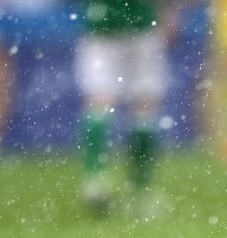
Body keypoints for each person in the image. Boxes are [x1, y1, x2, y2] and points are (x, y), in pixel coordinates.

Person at [75, 0, 179, 215]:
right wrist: (169, 13)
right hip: (139, 23)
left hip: (103, 23)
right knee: (144, 108)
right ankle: (140, 190)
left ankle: (96, 178)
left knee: (100, 103)